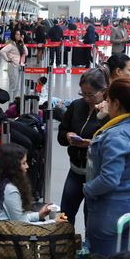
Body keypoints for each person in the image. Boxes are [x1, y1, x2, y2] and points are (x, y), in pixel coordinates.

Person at [84, 78, 130, 256]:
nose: (105, 104)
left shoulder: (116, 135)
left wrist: (88, 189)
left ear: (116, 103)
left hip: (112, 208)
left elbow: (109, 179)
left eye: (108, 100)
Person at [57, 68, 107, 226]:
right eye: (83, 93)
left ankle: (89, 248)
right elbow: (61, 134)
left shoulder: (109, 113)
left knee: (91, 218)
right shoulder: (76, 106)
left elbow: (111, 145)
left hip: (96, 175)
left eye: (91, 94)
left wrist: (90, 144)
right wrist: (67, 136)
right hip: (75, 171)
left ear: (104, 90)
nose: (86, 98)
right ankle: (63, 246)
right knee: (65, 215)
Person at [0, 143, 65, 223]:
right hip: (8, 232)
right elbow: (22, 225)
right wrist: (53, 222)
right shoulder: (10, 190)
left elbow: (18, 217)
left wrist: (38, 215)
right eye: (24, 163)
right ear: (13, 167)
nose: (27, 166)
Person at [0, 29, 27, 100]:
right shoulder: (11, 44)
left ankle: (14, 102)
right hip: (13, 66)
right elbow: (2, 51)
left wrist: (23, 42)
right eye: (17, 34)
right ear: (14, 35)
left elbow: (26, 53)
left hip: (20, 66)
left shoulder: (20, 44)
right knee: (13, 86)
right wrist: (7, 59)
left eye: (19, 34)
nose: (19, 36)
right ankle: (10, 102)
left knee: (17, 86)